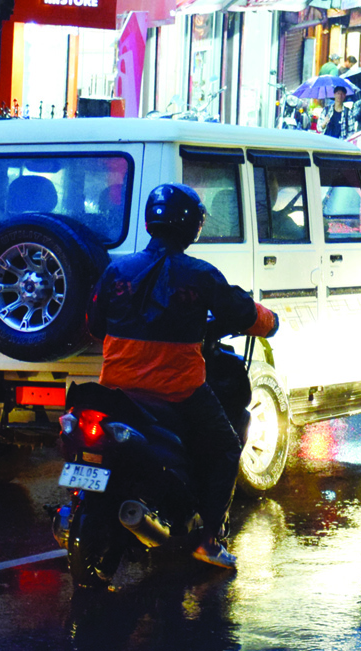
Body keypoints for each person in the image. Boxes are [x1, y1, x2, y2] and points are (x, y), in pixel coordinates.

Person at [88, 184, 279, 570]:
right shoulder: (200, 275)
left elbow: (94, 325)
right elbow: (244, 313)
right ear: (192, 227)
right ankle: (209, 539)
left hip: (117, 392)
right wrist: (271, 321)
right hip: (177, 392)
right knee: (226, 445)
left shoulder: (116, 270)